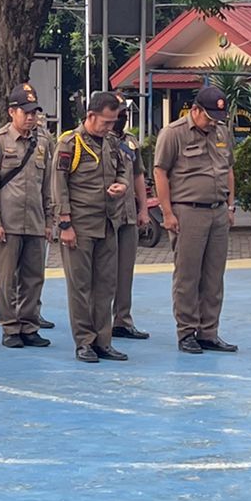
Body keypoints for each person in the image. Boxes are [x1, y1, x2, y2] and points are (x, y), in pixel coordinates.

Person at [153, 83, 237, 354]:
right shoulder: (173, 133)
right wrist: (167, 213)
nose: (214, 123)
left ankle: (209, 332)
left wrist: (230, 206)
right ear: (196, 110)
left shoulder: (222, 131)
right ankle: (186, 331)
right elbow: (160, 172)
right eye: (210, 117)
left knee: (214, 276)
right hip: (187, 211)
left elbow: (228, 169)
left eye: (218, 119)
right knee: (188, 275)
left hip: (218, 212)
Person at [54, 92, 134, 364]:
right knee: (80, 287)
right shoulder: (69, 143)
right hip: (80, 225)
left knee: (105, 286)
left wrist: (122, 185)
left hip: (108, 224)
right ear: (90, 116)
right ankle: (84, 342)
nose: (110, 127)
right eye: (106, 121)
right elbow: (59, 185)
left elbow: (125, 169)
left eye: (113, 122)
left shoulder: (112, 143)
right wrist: (65, 223)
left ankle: (103, 341)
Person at [0, 83, 54, 349]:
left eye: (34, 112)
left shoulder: (43, 141)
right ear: (12, 112)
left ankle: (29, 324)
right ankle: (10, 327)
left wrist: (50, 220)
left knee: (33, 276)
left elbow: (47, 183)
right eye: (25, 112)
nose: (30, 117)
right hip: (9, 223)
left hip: (35, 220)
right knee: (6, 278)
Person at [109, 101, 152, 340]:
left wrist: (143, 209)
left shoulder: (130, 142)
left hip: (127, 214)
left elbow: (138, 176)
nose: (122, 117)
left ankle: (122, 320)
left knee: (125, 270)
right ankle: (98, 321)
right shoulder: (92, 140)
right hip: (104, 215)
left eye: (124, 113)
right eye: (118, 113)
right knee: (103, 272)